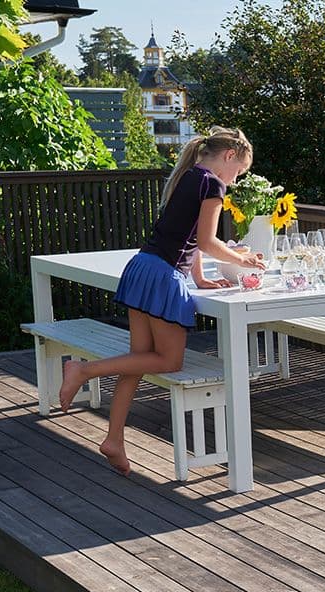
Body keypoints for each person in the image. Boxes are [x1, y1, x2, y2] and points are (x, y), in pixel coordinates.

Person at [58, 126, 265, 476]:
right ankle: (83, 370)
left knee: (138, 361)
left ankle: (114, 439)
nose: (236, 180)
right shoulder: (212, 183)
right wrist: (242, 260)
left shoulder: (189, 176)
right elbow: (208, 240)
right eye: (239, 172)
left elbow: (187, 235)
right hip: (162, 276)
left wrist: (199, 278)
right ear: (230, 156)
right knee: (169, 361)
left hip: (142, 267)